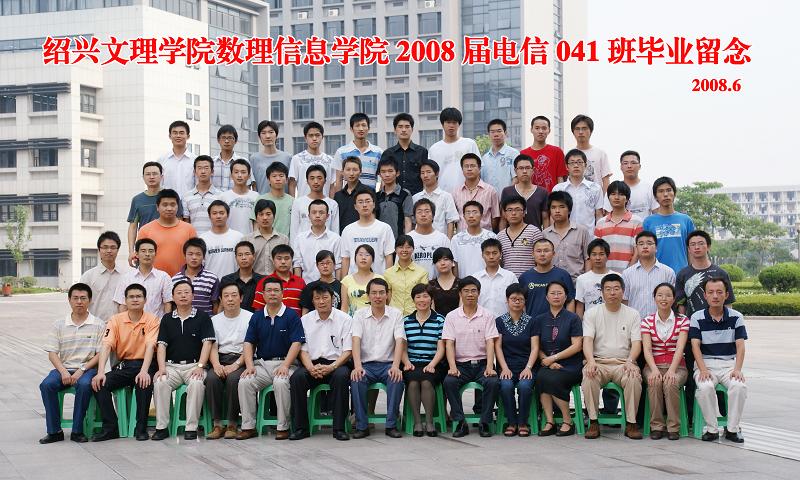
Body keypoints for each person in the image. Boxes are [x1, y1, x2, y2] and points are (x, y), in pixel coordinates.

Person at [236, 277, 305, 440]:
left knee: (281, 382)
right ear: (263, 294)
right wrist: (249, 365)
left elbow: (297, 343)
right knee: (245, 382)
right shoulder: (257, 316)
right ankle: (248, 426)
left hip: (286, 364)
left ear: (283, 293)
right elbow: (248, 343)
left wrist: (286, 365)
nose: (272, 293)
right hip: (262, 365)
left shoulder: (291, 315)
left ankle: (283, 426)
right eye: (269, 291)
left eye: (276, 290)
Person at [90, 283, 159, 442]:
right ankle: (111, 427)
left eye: (139, 296)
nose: (135, 299)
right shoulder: (115, 320)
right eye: (131, 297)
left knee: (144, 382)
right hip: (125, 366)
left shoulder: (152, 320)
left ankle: (140, 428)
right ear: (125, 300)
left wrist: (144, 371)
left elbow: (150, 346)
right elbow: (106, 346)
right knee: (99, 384)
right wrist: (100, 372)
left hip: (146, 364)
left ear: (145, 300)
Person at [39, 284, 104, 444]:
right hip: (64, 368)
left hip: (88, 369)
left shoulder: (99, 324)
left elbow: (100, 354)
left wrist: (82, 369)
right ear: (69, 300)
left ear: (90, 300)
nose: (79, 302)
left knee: (84, 385)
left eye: (83, 298)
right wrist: (63, 371)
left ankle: (77, 431)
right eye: (75, 298)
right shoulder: (59, 324)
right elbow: (52, 353)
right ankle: (54, 431)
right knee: (47, 385)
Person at [151, 280, 215, 441]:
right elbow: (161, 345)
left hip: (194, 366)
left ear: (193, 295)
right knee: (160, 382)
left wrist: (201, 366)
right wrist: (161, 368)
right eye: (179, 293)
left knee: (196, 383)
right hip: (171, 366)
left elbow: (207, 343)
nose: (183, 295)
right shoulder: (167, 319)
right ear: (173, 297)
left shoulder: (203, 317)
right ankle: (162, 427)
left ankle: (191, 427)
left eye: (187, 292)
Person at [581, 273, 643, 440]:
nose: (612, 293)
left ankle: (631, 423)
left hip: (623, 363)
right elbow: (587, 341)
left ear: (623, 291)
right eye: (608, 289)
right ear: (602, 292)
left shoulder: (633, 314)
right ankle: (593, 421)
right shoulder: (592, 313)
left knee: (633, 377)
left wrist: (630, 361)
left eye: (616, 289)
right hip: (599, 362)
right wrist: (591, 361)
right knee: (589, 376)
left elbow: (636, 343)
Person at [289, 283, 353, 441]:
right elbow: (302, 349)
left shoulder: (345, 319)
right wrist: (310, 367)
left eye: (325, 297)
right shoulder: (305, 320)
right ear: (312, 301)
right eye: (317, 298)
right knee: (297, 378)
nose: (321, 301)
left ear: (333, 299)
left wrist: (332, 367)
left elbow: (348, 350)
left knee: (341, 377)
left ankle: (339, 428)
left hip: (337, 363)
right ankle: (301, 428)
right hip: (313, 364)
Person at [689, 277, 747, 443]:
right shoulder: (697, 317)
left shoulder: (736, 317)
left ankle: (732, 429)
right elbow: (695, 346)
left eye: (719, 292)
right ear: (705, 295)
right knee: (705, 388)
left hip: (728, 365)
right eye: (711, 292)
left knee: (739, 386)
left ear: (726, 295)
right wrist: (703, 369)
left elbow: (740, 346)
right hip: (705, 365)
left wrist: (737, 369)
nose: (715, 296)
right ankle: (712, 429)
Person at [442, 277, 500, 437]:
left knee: (493, 382)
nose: (470, 294)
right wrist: (452, 367)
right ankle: (460, 422)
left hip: (482, 364)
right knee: (449, 382)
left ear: (479, 293)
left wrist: (490, 366)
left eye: (473, 291)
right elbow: (449, 344)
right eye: (466, 291)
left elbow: (490, 342)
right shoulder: (452, 316)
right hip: (461, 365)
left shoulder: (487, 315)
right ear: (460, 293)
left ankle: (485, 421)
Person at [350, 278, 406, 439]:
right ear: (368, 295)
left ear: (387, 294)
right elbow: (355, 340)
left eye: (381, 292)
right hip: (366, 365)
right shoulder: (360, 315)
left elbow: (400, 341)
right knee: (356, 379)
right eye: (374, 293)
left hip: (388, 364)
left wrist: (396, 366)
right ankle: (362, 426)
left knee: (396, 379)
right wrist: (357, 366)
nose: (378, 296)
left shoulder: (396, 314)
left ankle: (391, 425)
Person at [641, 283, 689, 440]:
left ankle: (673, 427)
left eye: (668, 295)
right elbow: (647, 349)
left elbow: (680, 348)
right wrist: (654, 370)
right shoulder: (647, 321)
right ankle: (656, 426)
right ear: (654, 298)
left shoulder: (683, 320)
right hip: (653, 365)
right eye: (660, 295)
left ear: (673, 299)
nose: (664, 298)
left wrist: (672, 370)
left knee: (670, 382)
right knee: (654, 380)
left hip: (678, 367)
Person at [535, 281, 583, 437]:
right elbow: (536, 347)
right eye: (552, 293)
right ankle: (550, 421)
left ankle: (568, 421)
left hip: (571, 365)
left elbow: (577, 346)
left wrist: (554, 358)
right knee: (541, 377)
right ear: (546, 297)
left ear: (566, 296)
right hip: (547, 363)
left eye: (560, 293)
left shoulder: (573, 318)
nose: (556, 296)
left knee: (554, 379)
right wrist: (547, 360)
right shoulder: (539, 319)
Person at [205, 281, 252, 440]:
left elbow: (251, 346)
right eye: (226, 296)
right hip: (220, 358)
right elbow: (212, 346)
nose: (230, 299)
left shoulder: (250, 318)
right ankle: (217, 424)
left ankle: (232, 423)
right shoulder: (215, 320)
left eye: (234, 295)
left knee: (234, 379)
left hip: (242, 358)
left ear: (241, 298)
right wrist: (216, 365)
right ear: (221, 299)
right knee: (211, 378)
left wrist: (236, 365)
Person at [402, 284, 446, 436]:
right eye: (418, 297)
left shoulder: (440, 320)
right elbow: (402, 347)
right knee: (413, 382)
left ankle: (429, 421)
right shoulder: (406, 321)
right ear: (413, 300)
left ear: (431, 299)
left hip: (434, 363)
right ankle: (417, 422)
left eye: (426, 296)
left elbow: (441, 347)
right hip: (412, 363)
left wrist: (432, 364)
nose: (422, 300)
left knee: (427, 382)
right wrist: (406, 362)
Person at [495, 284, 539, 437]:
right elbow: (497, 347)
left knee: (525, 387)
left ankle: (523, 423)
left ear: (525, 301)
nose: (517, 302)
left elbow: (535, 348)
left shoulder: (532, 321)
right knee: (506, 386)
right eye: (513, 299)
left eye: (520, 299)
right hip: (506, 366)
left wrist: (528, 367)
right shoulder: (499, 321)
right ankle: (511, 422)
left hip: (527, 366)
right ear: (507, 300)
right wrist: (504, 368)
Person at [127, 161, 184, 266]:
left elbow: (180, 221)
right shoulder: (137, 200)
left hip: (170, 246)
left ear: (162, 176)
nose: (151, 177)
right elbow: (133, 226)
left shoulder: (171, 196)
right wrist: (131, 251)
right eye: (148, 174)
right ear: (143, 177)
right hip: (146, 249)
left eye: (155, 174)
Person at [137, 189, 197, 277]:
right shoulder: (145, 230)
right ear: (157, 207)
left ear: (178, 206)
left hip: (182, 281)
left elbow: (195, 256)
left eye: (173, 205)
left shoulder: (189, 229)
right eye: (165, 205)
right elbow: (141, 258)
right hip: (154, 280)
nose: (169, 208)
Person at [676, 230, 736, 317]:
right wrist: (681, 323)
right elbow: (681, 305)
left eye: (701, 243)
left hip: (717, 322)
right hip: (692, 323)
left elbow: (728, 303)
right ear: (689, 249)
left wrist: (728, 322)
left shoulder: (721, 273)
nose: (697, 247)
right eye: (693, 244)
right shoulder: (682, 274)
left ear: (708, 247)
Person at [643, 177, 696, 273]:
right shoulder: (648, 222)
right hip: (656, 274)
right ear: (655, 196)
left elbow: (692, 249)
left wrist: (691, 272)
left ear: (674, 193)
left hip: (681, 274)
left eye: (669, 190)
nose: (665, 194)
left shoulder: (686, 220)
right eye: (661, 191)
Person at [340, 189, 395, 276]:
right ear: (355, 206)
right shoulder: (348, 230)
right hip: (354, 280)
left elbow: (388, 257)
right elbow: (345, 258)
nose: (364, 205)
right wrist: (344, 281)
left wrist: (388, 280)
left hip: (378, 280)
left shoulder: (384, 228)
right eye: (360, 202)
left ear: (374, 204)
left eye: (368, 201)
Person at [622, 231, 677, 318]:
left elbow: (672, 300)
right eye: (641, 244)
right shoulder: (627, 273)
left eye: (649, 243)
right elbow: (624, 300)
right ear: (636, 248)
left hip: (661, 323)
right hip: (635, 322)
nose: (645, 246)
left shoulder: (668, 272)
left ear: (656, 248)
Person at [113, 238, 173, 318]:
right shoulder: (126, 278)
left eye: (151, 251)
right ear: (137, 254)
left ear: (155, 254)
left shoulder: (163, 277)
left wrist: (165, 323)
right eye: (143, 251)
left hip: (156, 324)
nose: (147, 254)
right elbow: (122, 305)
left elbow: (168, 303)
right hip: (132, 324)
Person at [595, 180, 644, 273]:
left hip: (629, 274)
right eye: (613, 194)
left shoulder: (637, 222)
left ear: (627, 199)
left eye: (621, 194)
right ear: (608, 197)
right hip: (605, 275)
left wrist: (628, 273)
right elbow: (596, 250)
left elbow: (637, 251)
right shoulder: (601, 223)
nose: (616, 197)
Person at [79, 231, 129, 323]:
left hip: (119, 326)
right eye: (105, 247)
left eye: (113, 247)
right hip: (95, 325)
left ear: (118, 250)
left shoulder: (126, 276)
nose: (109, 251)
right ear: (99, 250)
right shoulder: (88, 276)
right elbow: (80, 302)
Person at [543, 191, 592, 282]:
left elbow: (588, 258)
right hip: (551, 283)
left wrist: (586, 281)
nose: (557, 211)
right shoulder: (545, 234)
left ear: (569, 210)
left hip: (576, 283)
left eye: (562, 207)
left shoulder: (582, 231)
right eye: (553, 207)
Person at [428, 107, 480, 193]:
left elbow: (478, 170)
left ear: (459, 124)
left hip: (467, 194)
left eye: (454, 123)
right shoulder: (434, 149)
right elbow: (430, 175)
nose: (451, 126)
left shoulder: (469, 144)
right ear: (442, 124)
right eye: (448, 122)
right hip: (442, 195)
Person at [519, 238, 575, 318]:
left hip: (558, 323)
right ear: (533, 254)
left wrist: (569, 322)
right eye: (539, 251)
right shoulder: (524, 277)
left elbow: (570, 301)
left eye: (546, 251)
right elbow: (521, 304)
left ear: (553, 253)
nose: (542, 254)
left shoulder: (563, 275)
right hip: (532, 323)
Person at [552, 149, 603, 232]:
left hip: (589, 236)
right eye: (572, 163)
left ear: (585, 165)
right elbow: (553, 215)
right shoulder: (558, 189)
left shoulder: (595, 188)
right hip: (564, 236)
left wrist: (598, 236)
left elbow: (599, 214)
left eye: (579, 162)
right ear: (567, 167)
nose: (576, 165)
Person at [293, 199, 342, 283]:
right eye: (314, 212)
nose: (317, 215)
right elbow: (297, 265)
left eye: (321, 212)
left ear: (327, 216)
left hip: (329, 286)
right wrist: (299, 286)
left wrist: (337, 286)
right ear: (309, 216)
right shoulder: (300, 238)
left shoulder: (335, 239)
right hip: (306, 284)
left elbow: (338, 265)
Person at [171, 237, 221, 315]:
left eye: (198, 254)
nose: (194, 257)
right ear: (184, 255)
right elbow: (173, 305)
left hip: (206, 321)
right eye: (190, 254)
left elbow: (216, 304)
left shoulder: (212, 279)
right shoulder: (175, 279)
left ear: (203, 257)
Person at [334, 113, 383, 190]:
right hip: (348, 196)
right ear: (351, 129)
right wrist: (338, 197)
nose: (361, 129)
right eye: (357, 125)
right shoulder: (341, 152)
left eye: (364, 125)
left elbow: (383, 178)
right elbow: (339, 180)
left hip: (370, 196)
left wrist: (379, 195)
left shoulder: (378, 152)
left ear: (368, 128)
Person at [381, 113, 427, 195]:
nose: (404, 130)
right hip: (394, 197)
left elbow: (426, 176)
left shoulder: (422, 151)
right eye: (400, 127)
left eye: (407, 126)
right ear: (395, 130)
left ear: (412, 129)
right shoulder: (388, 153)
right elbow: (384, 178)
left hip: (416, 197)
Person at [497, 195, 544, 277]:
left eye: (518, 209)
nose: (513, 213)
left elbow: (541, 259)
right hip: (508, 281)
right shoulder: (500, 236)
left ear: (524, 212)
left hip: (530, 280)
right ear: (504, 214)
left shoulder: (534, 232)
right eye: (509, 210)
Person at [412, 158, 460, 238]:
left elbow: (450, 222)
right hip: (419, 240)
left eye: (428, 172)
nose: (425, 175)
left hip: (440, 240)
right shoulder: (415, 197)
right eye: (422, 173)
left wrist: (448, 242)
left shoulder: (446, 197)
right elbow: (413, 222)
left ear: (437, 174)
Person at [252, 244, 306, 315]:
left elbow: (305, 307)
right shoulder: (264, 282)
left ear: (292, 260)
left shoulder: (300, 282)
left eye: (287, 258)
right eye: (279, 258)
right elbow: (258, 309)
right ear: (273, 260)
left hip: (295, 321)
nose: (283, 262)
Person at [602, 151, 658, 219]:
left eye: (633, 163)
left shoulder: (649, 188)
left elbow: (657, 213)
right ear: (621, 167)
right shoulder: (613, 189)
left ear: (639, 166)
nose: (629, 166)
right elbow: (608, 216)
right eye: (625, 163)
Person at [453, 153, 501, 232]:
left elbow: (495, 217)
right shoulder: (456, 192)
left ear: (479, 168)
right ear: (462, 169)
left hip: (485, 237)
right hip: (462, 236)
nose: (469, 169)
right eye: (466, 166)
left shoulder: (490, 191)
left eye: (472, 166)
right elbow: (454, 217)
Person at [289, 121, 339, 198]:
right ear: (305, 138)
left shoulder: (330, 160)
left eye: (317, 135)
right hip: (303, 203)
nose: (314, 138)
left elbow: (332, 186)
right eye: (311, 135)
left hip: (324, 204)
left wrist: (331, 203)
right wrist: (293, 203)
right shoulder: (297, 159)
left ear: (322, 137)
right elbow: (292, 184)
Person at [500, 154, 549, 229]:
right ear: (515, 171)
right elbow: (503, 219)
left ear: (533, 170)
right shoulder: (507, 192)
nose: (524, 171)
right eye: (521, 168)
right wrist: (502, 236)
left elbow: (545, 218)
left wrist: (544, 236)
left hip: (535, 235)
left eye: (528, 168)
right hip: (512, 235)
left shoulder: (542, 192)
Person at [519, 115, 566, 192]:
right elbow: (520, 180)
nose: (540, 131)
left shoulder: (557, 152)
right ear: (531, 130)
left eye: (544, 128)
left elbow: (560, 179)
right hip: (529, 196)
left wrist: (560, 197)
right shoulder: (523, 154)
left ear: (549, 130)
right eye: (537, 128)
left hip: (551, 197)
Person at [385, 235, 429, 316]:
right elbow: (388, 298)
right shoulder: (388, 273)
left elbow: (424, 296)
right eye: (401, 247)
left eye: (408, 247)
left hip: (415, 316)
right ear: (395, 249)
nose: (404, 250)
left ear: (413, 249)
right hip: (394, 316)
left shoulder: (422, 272)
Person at [451, 201, 497, 278]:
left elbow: (497, 261)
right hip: (465, 282)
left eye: (475, 212)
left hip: (487, 281)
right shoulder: (456, 239)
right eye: (468, 213)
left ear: (482, 215)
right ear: (463, 216)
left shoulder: (492, 237)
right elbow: (455, 264)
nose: (471, 216)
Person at [244, 199, 290, 275]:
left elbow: (288, 265)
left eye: (268, 214)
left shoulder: (284, 240)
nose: (265, 218)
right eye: (261, 214)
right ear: (256, 217)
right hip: (254, 281)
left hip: (277, 281)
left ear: (274, 216)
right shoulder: (247, 240)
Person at [291, 165, 340, 235]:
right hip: (303, 242)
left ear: (325, 181)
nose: (316, 181)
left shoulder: (333, 204)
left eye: (319, 178)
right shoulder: (298, 203)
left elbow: (335, 231)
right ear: (307, 181)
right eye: (312, 178)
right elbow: (294, 230)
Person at [474, 238, 518, 318]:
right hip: (480, 321)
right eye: (487, 253)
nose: (491, 257)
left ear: (501, 254)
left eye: (494, 253)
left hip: (505, 322)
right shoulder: (475, 278)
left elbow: (517, 301)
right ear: (482, 255)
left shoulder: (510, 277)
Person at [200, 200, 244, 279]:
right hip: (210, 283)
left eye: (221, 213)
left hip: (234, 283)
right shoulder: (202, 239)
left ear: (228, 215)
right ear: (209, 216)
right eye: (214, 213)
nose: (218, 216)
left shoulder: (239, 237)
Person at [408, 198, 451, 278]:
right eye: (419, 212)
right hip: (413, 284)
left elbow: (450, 265)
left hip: (438, 284)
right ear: (414, 217)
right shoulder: (408, 238)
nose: (423, 215)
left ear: (433, 215)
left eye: (427, 211)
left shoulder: (442, 239)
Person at [182, 155, 223, 235]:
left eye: (206, 168)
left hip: (215, 239)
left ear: (212, 172)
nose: (203, 171)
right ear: (194, 172)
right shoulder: (186, 196)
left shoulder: (221, 196)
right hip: (194, 240)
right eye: (199, 168)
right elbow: (186, 222)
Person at [341, 244, 386, 316]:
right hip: (353, 320)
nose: (363, 258)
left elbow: (384, 304)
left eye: (367, 255)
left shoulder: (380, 279)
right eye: (360, 254)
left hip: (374, 319)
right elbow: (344, 307)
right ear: (355, 259)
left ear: (373, 260)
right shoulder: (346, 280)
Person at [251, 162, 293, 238]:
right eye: (274, 176)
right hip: (264, 241)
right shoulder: (261, 199)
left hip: (285, 242)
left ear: (286, 179)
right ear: (268, 180)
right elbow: (256, 225)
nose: (278, 179)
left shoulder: (292, 201)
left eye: (281, 176)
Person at [571, 114, 611, 192]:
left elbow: (606, 181)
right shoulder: (568, 154)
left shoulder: (600, 154)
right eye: (577, 129)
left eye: (584, 128)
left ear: (591, 131)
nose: (581, 132)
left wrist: (603, 198)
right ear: (573, 132)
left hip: (596, 197)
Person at [250, 120, 292, 195]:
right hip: (262, 200)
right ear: (259, 137)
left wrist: (292, 200)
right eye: (263, 133)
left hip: (283, 200)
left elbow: (291, 183)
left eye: (271, 132)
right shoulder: (254, 158)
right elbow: (254, 185)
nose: (267, 136)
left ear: (276, 135)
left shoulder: (287, 157)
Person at [221, 241, 264, 311]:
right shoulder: (226, 280)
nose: (243, 258)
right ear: (236, 258)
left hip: (256, 317)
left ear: (254, 256)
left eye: (247, 254)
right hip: (233, 316)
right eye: (240, 255)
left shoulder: (262, 280)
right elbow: (222, 305)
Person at [376, 157, 413, 238]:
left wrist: (406, 241)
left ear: (397, 173)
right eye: (383, 172)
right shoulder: (376, 196)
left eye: (390, 171)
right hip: (379, 239)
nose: (387, 175)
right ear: (379, 174)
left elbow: (408, 221)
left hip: (398, 241)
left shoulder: (405, 194)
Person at [220, 159, 259, 234]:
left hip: (250, 239)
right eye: (236, 172)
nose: (239, 175)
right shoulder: (223, 197)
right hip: (229, 239)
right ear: (231, 175)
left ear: (249, 176)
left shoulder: (256, 196)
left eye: (243, 172)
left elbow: (258, 221)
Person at [575, 239, 613, 318]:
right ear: (589, 256)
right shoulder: (582, 279)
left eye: (601, 254)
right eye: (594, 254)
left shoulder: (616, 277)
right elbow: (580, 306)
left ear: (607, 256)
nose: (598, 258)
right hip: (589, 322)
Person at [159, 120, 196, 200]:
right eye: (175, 133)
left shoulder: (195, 160)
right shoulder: (162, 160)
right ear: (170, 136)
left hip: (190, 203)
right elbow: (159, 184)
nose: (178, 136)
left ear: (188, 136)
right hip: (168, 204)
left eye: (181, 133)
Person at [481, 119, 520, 194]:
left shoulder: (513, 154)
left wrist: (506, 196)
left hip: (507, 198)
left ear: (505, 133)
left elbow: (516, 178)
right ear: (488, 134)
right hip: (488, 199)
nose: (496, 134)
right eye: (492, 132)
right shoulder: (484, 158)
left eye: (499, 131)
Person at [299, 250, 343, 315]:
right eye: (322, 264)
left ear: (334, 265)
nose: (325, 266)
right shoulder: (310, 287)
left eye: (328, 263)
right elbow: (305, 312)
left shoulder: (341, 286)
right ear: (317, 266)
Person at [333, 156, 367, 234]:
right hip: (343, 236)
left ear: (360, 172)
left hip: (363, 235)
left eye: (355, 170)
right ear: (342, 172)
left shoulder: (368, 192)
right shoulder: (338, 196)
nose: (351, 173)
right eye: (348, 170)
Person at [212, 125, 251, 191]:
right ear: (218, 140)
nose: (226, 141)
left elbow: (248, 187)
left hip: (236, 197)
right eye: (223, 138)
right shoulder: (211, 162)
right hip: (215, 197)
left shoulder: (244, 162)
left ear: (235, 140)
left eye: (230, 138)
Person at [428, 247, 461, 316]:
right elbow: (431, 311)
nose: (442, 263)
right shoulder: (431, 285)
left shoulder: (461, 284)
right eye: (438, 261)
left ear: (452, 262)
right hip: (437, 322)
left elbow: (462, 309)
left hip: (458, 321)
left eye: (446, 259)